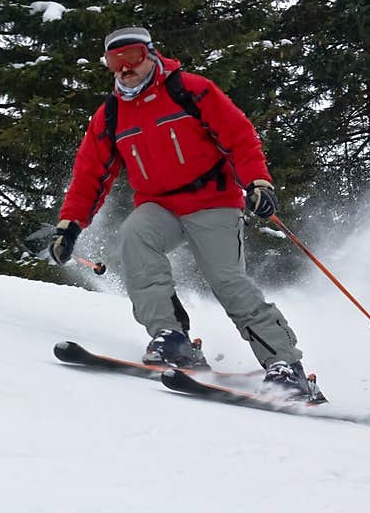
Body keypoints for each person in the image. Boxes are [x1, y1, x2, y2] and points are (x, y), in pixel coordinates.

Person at [49, 26, 312, 398]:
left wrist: (257, 182)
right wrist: (69, 226)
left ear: (151, 55)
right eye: (115, 61)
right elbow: (89, 175)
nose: (125, 68)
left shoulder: (189, 90)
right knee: (134, 237)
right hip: (159, 205)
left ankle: (286, 366)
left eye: (133, 57)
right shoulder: (109, 116)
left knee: (227, 281)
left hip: (212, 202)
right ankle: (171, 337)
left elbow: (239, 136)